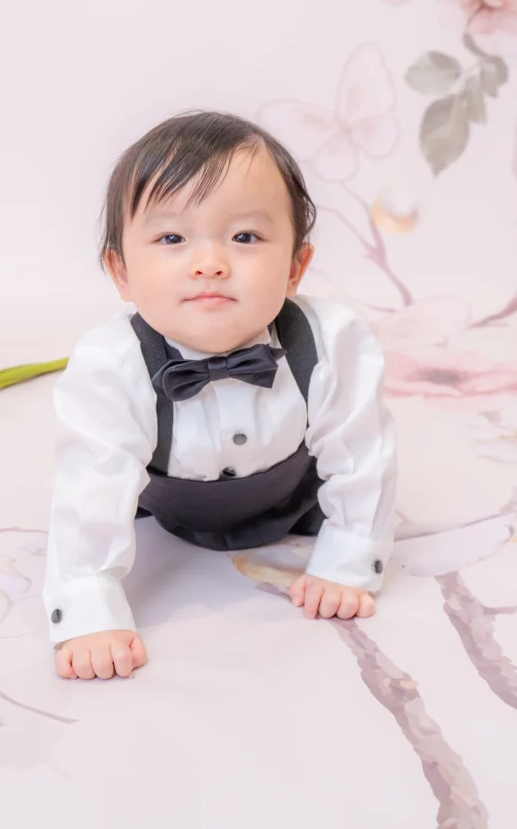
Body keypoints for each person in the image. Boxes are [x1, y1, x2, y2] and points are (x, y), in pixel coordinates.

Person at [43, 112, 397, 681]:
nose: (210, 264)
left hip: (295, 505)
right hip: (165, 509)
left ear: (296, 266)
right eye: (172, 238)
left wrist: (350, 557)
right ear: (121, 271)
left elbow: (362, 454)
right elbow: (90, 487)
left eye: (245, 237)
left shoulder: (331, 342)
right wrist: (88, 608)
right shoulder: (111, 363)